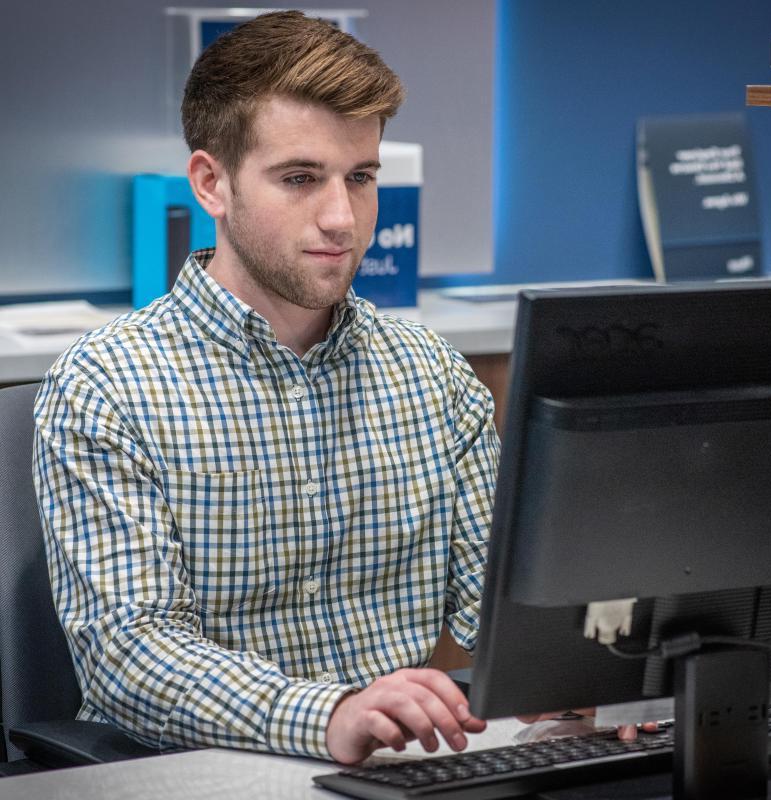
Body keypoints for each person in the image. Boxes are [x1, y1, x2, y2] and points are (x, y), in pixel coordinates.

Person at [33, 10, 497, 766]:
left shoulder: (432, 374)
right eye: (300, 179)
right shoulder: (107, 386)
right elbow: (130, 656)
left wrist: (591, 674)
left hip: (403, 770)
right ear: (212, 183)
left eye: (362, 178)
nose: (342, 217)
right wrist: (331, 715)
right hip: (193, 771)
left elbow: (510, 602)